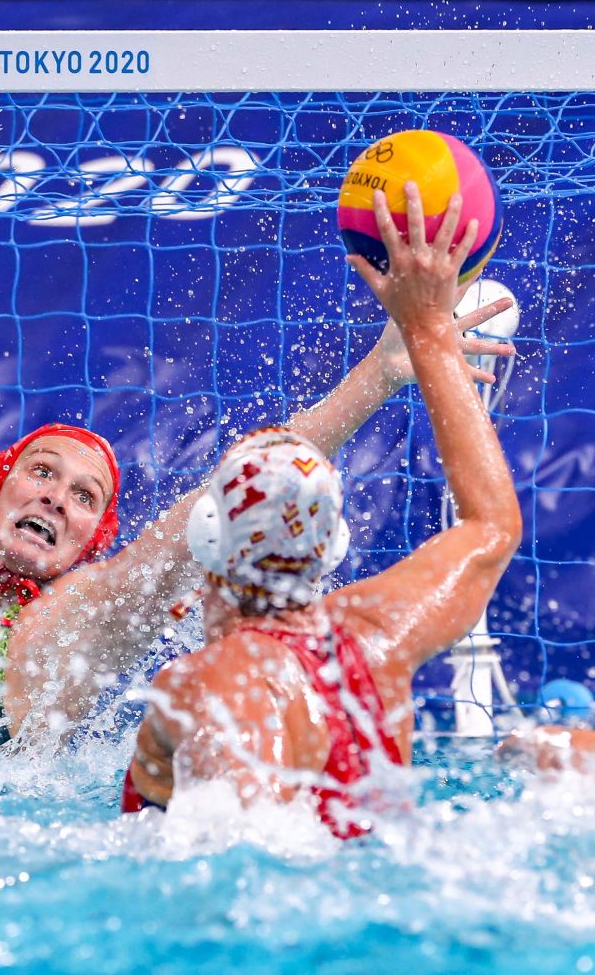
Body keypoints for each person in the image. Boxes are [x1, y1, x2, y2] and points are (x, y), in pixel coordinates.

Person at [0, 168, 515, 749]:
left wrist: (381, 373)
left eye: (86, 495)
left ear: (92, 547)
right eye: (44, 471)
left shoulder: (66, 631)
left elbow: (238, 482)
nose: (60, 496)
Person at [121, 183, 521, 838]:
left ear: (206, 538)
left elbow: (245, 862)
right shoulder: (379, 637)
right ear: (330, 547)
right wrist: (428, 332)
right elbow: (492, 526)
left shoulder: (210, 679)